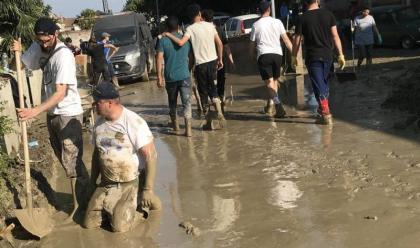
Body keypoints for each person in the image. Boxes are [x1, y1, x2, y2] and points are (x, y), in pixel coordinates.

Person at [11, 17, 86, 221]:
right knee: (64, 160)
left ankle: (83, 206)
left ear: (55, 35)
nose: (44, 44)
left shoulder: (64, 56)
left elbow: (60, 93)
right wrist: (16, 52)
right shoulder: (38, 46)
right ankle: (81, 199)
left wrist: (34, 111)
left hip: (67, 113)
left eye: (47, 40)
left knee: (73, 162)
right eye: (40, 40)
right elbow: (19, 65)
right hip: (52, 113)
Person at [84, 82, 161, 232]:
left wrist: (148, 188)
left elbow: (151, 155)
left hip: (130, 182)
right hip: (107, 182)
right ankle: (116, 209)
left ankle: (146, 205)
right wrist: (92, 181)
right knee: (88, 224)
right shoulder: (98, 125)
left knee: (118, 227)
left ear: (110, 103)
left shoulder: (133, 122)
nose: (94, 105)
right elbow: (97, 154)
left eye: (97, 102)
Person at [163, 4, 226, 129]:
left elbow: (181, 42)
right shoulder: (210, 26)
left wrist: (168, 34)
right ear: (199, 14)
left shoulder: (190, 29)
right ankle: (219, 112)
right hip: (213, 62)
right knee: (213, 88)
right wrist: (220, 59)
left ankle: (209, 123)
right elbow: (219, 43)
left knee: (203, 93)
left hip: (200, 65)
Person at [291, 0, 346, 125]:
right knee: (323, 83)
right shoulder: (328, 15)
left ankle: (325, 111)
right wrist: (340, 54)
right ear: (317, 0)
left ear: (305, 2)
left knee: (318, 84)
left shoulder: (302, 18)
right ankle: (322, 110)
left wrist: (293, 56)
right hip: (328, 56)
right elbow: (335, 36)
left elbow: (297, 40)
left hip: (313, 57)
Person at [249, 1, 293, 118]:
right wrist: (294, 54)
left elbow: (252, 45)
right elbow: (286, 40)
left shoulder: (255, 25)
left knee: (269, 83)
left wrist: (252, 56)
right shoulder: (277, 22)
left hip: (264, 55)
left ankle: (278, 106)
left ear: (259, 11)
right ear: (269, 9)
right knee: (274, 81)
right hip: (277, 55)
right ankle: (270, 105)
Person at [156, 16, 194, 137]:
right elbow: (191, 57)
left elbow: (159, 58)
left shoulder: (163, 41)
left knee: (172, 103)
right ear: (178, 27)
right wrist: (188, 69)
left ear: (167, 27)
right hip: (185, 76)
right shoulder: (185, 39)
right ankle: (188, 131)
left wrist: (159, 77)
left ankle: (176, 127)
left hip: (170, 77)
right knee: (187, 103)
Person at [202, 9, 235, 114]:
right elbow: (226, 46)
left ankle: (213, 108)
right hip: (220, 62)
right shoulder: (219, 29)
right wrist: (231, 60)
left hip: (208, 62)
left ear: (203, 18)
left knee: (210, 85)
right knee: (220, 83)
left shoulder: (203, 31)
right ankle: (221, 102)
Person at [354, 6, 382, 71]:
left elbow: (374, 27)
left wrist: (378, 35)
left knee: (369, 54)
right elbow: (354, 29)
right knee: (362, 55)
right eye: (365, 11)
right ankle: (358, 66)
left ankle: (368, 68)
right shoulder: (357, 18)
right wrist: (352, 34)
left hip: (369, 38)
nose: (366, 13)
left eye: (367, 12)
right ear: (362, 12)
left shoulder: (371, 18)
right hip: (360, 39)